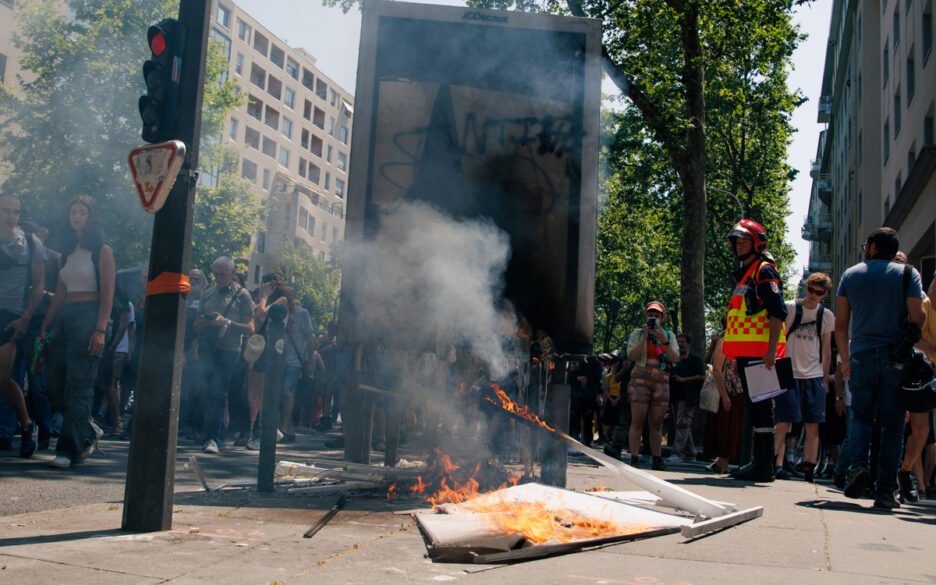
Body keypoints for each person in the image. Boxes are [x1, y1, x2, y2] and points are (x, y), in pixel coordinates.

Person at [835, 227, 925, 510]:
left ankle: (858, 467)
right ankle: (886, 490)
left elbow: (841, 323)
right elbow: (918, 316)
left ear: (872, 246)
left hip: (860, 354)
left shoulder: (851, 274)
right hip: (895, 358)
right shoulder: (908, 274)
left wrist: (846, 359)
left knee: (861, 418)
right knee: (893, 425)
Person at [41, 195, 115, 468]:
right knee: (53, 380)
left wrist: (100, 329)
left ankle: (70, 450)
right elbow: (60, 291)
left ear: (90, 216)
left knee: (79, 384)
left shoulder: (102, 250)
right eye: (73, 211)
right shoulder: (67, 251)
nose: (76, 216)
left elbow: (108, 292)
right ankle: (87, 428)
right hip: (66, 317)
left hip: (90, 314)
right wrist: (45, 325)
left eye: (81, 212)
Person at [722, 219, 788, 482]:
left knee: (762, 410)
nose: (738, 245)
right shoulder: (749, 273)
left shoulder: (764, 271)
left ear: (757, 243)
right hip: (749, 353)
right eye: (736, 241)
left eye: (744, 240)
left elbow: (777, 313)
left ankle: (763, 466)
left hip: (762, 354)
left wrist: (772, 351)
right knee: (756, 408)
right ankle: (761, 463)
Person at [773, 272, 835, 482]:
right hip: (788, 370)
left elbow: (826, 350)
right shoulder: (791, 308)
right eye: (811, 290)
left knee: (813, 424)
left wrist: (824, 378)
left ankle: (809, 469)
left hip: (813, 374)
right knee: (783, 422)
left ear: (825, 294)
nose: (814, 296)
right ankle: (774, 463)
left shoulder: (826, 316)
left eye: (819, 293)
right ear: (806, 287)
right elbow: (778, 335)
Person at [193, 256, 254, 454]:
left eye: (223, 274)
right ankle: (212, 434)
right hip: (207, 347)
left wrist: (227, 322)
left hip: (230, 349)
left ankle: (215, 438)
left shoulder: (243, 295)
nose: (219, 277)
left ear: (232, 273)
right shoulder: (207, 294)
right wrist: (206, 322)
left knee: (218, 391)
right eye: (216, 274)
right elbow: (195, 324)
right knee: (207, 391)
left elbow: (250, 328)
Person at [0, 194, 45, 458]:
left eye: (15, 212)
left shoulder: (31, 242)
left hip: (10, 314)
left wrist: (25, 318)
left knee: (2, 377)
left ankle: (27, 425)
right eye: (5, 210)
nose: (10, 216)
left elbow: (39, 286)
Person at [625, 300, 680, 470]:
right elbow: (631, 356)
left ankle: (657, 458)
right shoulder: (637, 333)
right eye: (650, 314)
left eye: (657, 315)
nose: (653, 317)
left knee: (656, 422)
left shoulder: (669, 335)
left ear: (662, 317)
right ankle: (634, 457)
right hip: (640, 377)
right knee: (638, 420)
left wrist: (664, 341)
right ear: (645, 315)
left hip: (661, 378)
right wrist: (644, 337)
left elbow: (675, 358)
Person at [897, 274, 936, 501]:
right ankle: (906, 472)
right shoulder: (924, 306)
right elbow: (911, 337)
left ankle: (913, 477)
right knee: (920, 432)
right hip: (924, 376)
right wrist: (931, 347)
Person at [668, 333, 705, 462]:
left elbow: (702, 376)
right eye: (678, 341)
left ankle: (677, 453)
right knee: (682, 424)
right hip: (675, 397)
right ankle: (691, 452)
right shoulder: (675, 360)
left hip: (688, 397)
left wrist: (684, 380)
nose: (680, 344)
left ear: (688, 344)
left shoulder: (695, 359)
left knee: (682, 423)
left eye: (683, 342)